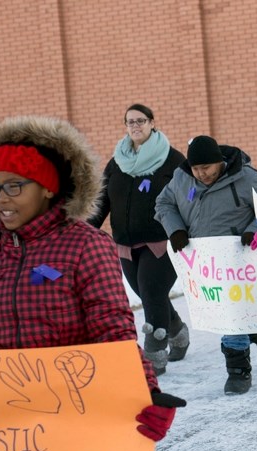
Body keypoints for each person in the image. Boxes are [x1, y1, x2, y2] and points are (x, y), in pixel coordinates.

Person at [0, 115, 185, 451]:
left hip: (82, 420)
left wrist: (145, 393)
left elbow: (113, 331)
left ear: (48, 189)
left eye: (14, 186)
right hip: (15, 431)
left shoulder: (84, 245)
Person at [154, 135, 257, 395]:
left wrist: (253, 229)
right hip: (204, 261)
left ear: (219, 163)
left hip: (239, 257)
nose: (201, 174)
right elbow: (163, 203)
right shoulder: (182, 179)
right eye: (196, 169)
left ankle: (237, 371)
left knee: (231, 314)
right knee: (226, 311)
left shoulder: (246, 177)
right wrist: (175, 229)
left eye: (207, 168)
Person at [89, 104, 189, 375]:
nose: (135, 126)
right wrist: (86, 229)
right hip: (125, 243)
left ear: (152, 123)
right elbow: (102, 201)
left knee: (152, 290)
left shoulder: (172, 160)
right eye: (130, 122)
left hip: (162, 242)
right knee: (147, 294)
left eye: (140, 121)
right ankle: (178, 332)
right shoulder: (117, 161)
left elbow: (190, 199)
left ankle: (154, 355)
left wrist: (188, 231)